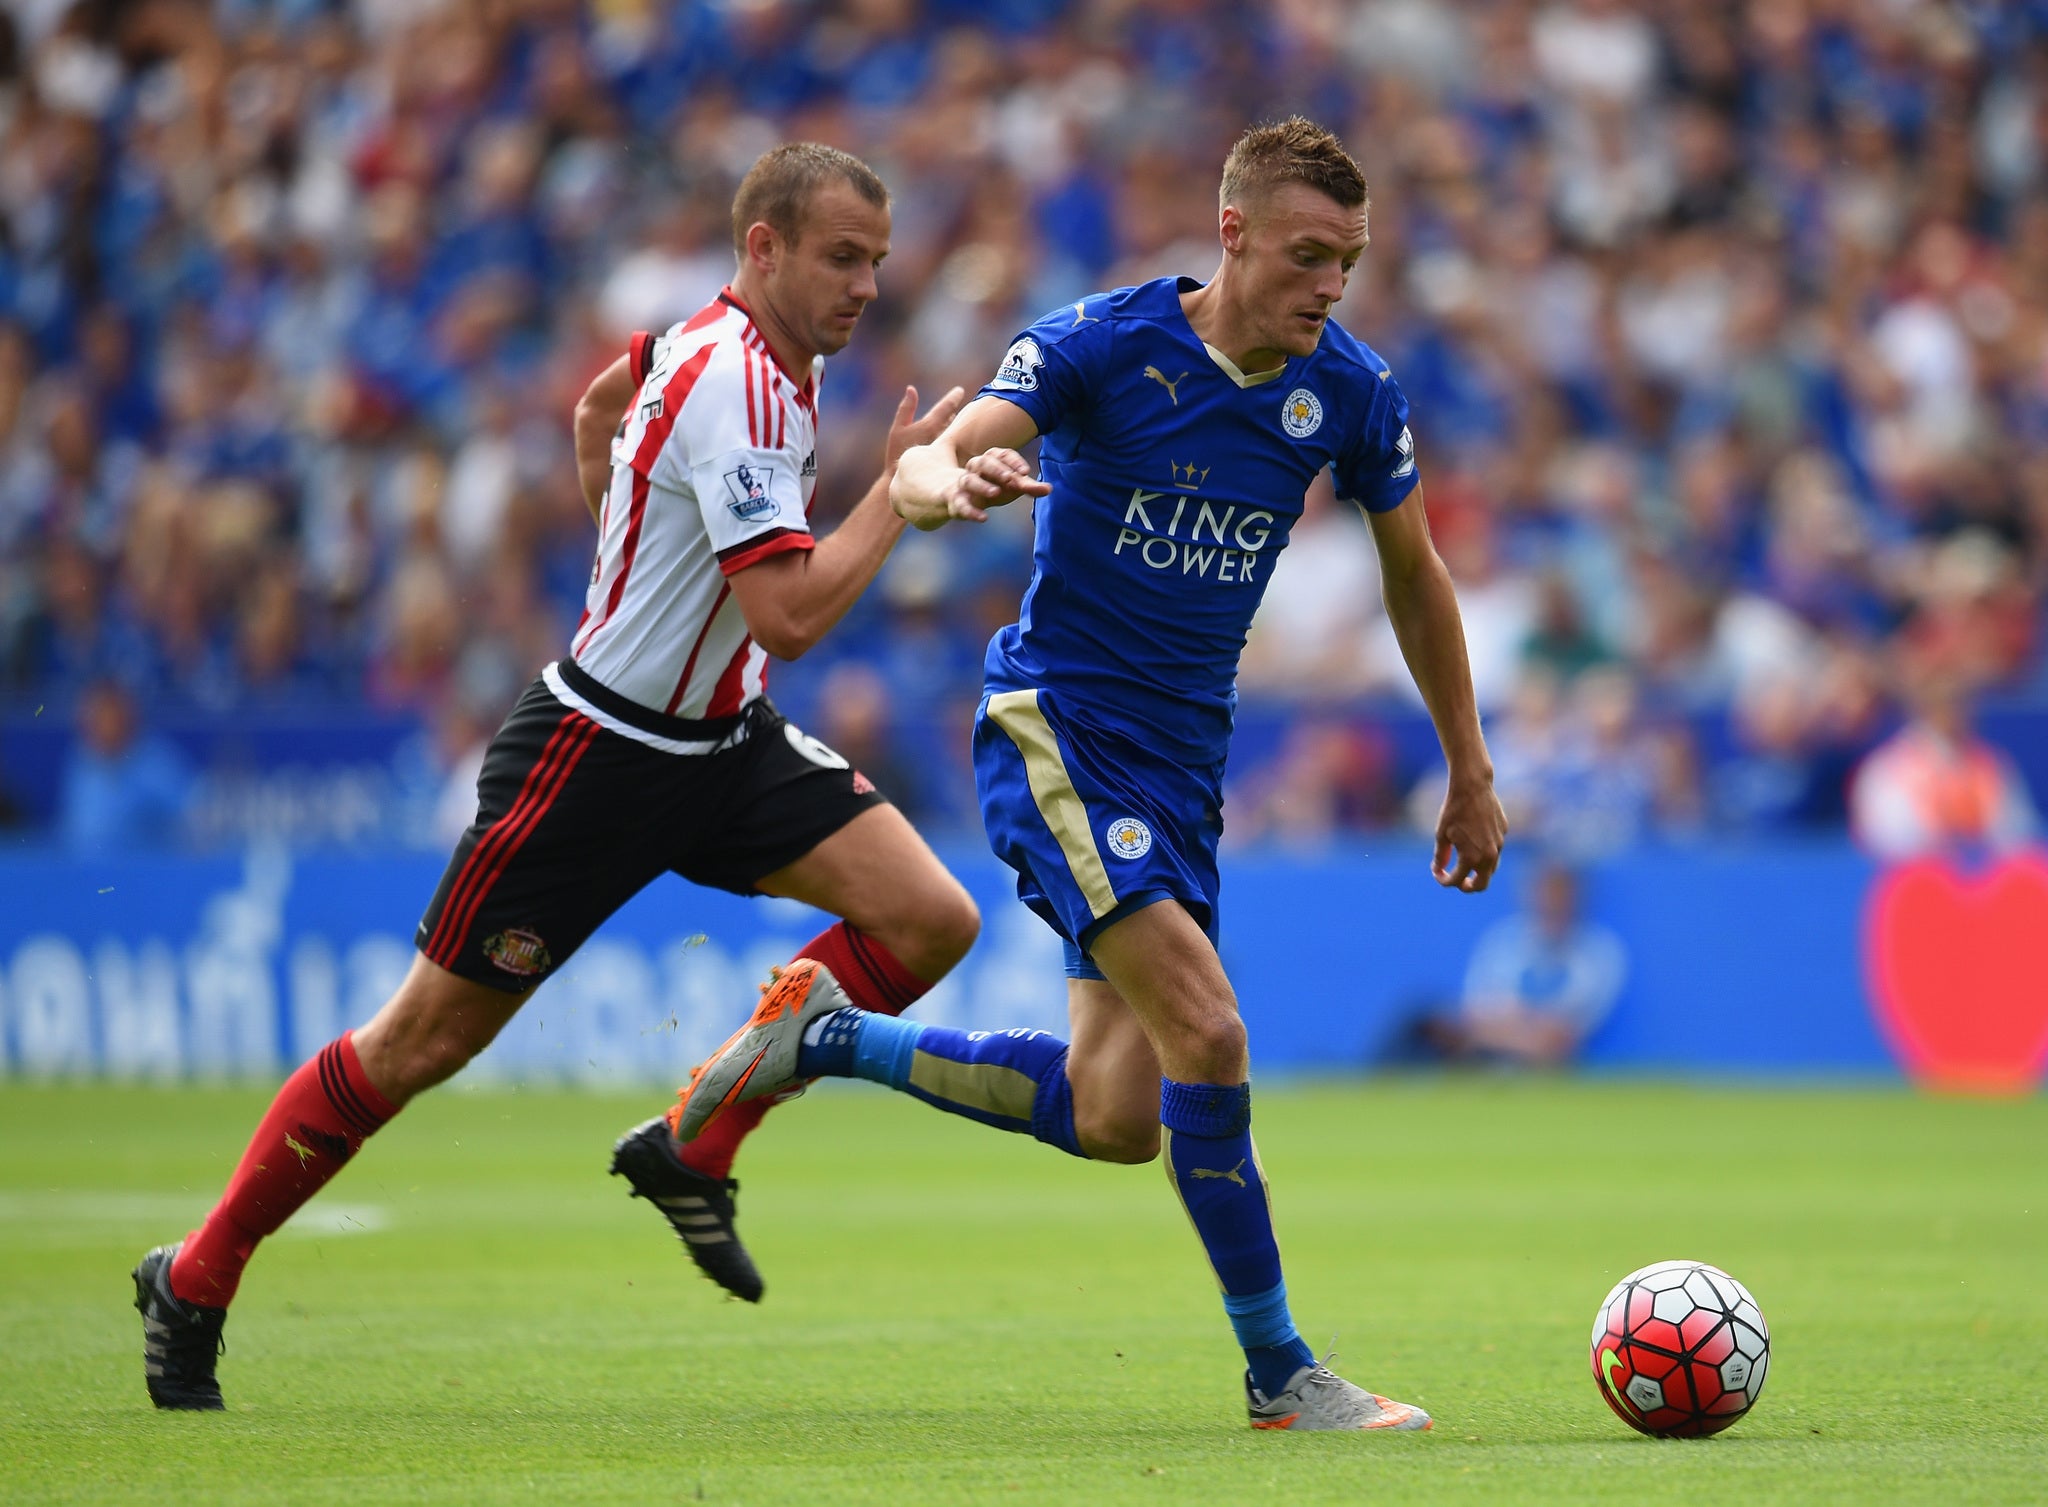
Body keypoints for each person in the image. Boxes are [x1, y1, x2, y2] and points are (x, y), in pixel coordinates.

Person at [667, 119, 1508, 1432]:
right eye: (1304, 255)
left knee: (1118, 1111)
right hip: (1057, 728)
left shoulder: (1347, 389)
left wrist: (1469, 764)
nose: (1328, 285)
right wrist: (954, 476)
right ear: (1231, 234)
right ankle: (1282, 1369)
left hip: (1182, 767)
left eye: (1346, 260)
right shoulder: (1102, 343)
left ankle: (818, 1035)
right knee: (1212, 1031)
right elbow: (949, 448)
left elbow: (1416, 574)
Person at [133, 143, 982, 1410]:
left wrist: (625, 535)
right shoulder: (736, 384)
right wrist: (897, 500)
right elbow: (791, 616)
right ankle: (196, 1275)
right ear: (762, 250)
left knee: (929, 916)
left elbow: (597, 406)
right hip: (594, 757)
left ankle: (699, 1134)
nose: (867, 285)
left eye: (875, 259)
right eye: (840, 257)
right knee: (420, 1042)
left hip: (720, 741)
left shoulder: (713, 351)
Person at [1414, 860, 1627, 1068]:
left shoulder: (1599, 950)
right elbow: (1477, 1012)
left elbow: (1563, 1032)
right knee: (1418, 1020)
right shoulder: (1505, 939)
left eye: (1560, 893)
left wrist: (1522, 1029)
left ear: (1576, 897)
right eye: (1546, 891)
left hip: (1542, 1055)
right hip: (1494, 1043)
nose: (1551, 901)